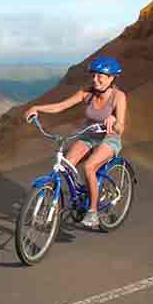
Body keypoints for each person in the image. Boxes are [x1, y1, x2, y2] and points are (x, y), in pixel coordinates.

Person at [24, 56, 127, 229]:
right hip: (88, 135)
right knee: (67, 165)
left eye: (100, 76)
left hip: (110, 138)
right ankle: (79, 196)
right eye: (94, 75)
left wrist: (113, 120)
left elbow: (121, 127)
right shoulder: (86, 93)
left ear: (111, 78)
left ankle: (93, 212)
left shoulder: (118, 96)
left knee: (89, 167)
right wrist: (37, 108)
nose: (95, 79)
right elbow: (61, 106)